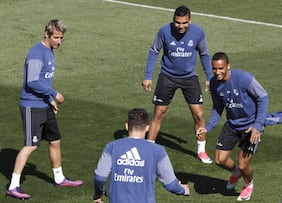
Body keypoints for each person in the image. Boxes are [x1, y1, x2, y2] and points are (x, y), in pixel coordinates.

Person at [6, 19, 83, 200]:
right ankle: (13, 185)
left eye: (61, 38)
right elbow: (32, 81)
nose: (59, 41)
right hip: (32, 106)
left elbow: (42, 79)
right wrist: (54, 93)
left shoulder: (49, 52)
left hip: (43, 104)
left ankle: (59, 178)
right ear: (46, 35)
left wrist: (49, 100)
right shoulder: (36, 53)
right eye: (56, 37)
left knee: (55, 140)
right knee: (31, 145)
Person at [142, 5, 213, 164]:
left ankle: (201, 151)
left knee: (199, 115)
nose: (181, 26)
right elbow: (154, 51)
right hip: (167, 77)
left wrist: (210, 77)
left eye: (184, 23)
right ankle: (148, 150)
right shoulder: (164, 31)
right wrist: (148, 76)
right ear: (173, 20)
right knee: (159, 114)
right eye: (178, 23)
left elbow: (204, 54)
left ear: (190, 20)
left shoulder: (198, 33)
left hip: (189, 78)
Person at [196, 52, 269, 201]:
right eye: (214, 69)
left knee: (243, 165)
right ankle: (235, 173)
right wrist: (208, 127)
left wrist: (257, 125)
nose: (217, 72)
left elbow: (263, 97)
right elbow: (218, 107)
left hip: (251, 127)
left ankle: (249, 184)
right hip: (232, 124)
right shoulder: (214, 83)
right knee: (220, 160)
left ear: (228, 66)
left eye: (221, 68)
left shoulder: (244, 78)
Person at [92, 108, 190, 203]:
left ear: (126, 126)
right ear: (148, 128)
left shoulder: (112, 147)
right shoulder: (158, 151)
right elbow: (170, 184)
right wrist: (183, 190)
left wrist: (98, 193)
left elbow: (99, 177)